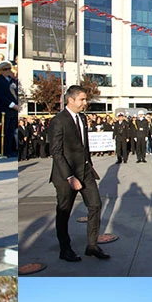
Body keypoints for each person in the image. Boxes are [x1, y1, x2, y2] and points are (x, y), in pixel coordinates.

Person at [49, 85, 109, 262]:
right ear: (71, 100)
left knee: (95, 205)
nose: (85, 103)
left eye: (85, 99)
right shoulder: (58, 121)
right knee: (64, 212)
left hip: (85, 171)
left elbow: (84, 146)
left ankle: (92, 245)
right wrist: (70, 177)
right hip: (66, 175)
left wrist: (88, 167)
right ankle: (65, 249)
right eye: (82, 99)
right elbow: (56, 152)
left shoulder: (82, 118)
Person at [0, 61, 19, 157]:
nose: (7, 71)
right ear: (0, 71)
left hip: (13, 110)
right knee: (4, 131)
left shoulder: (12, 81)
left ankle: (9, 150)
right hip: (4, 109)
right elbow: (1, 96)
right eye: (5, 69)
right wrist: (12, 105)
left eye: (8, 69)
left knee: (10, 132)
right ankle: (2, 150)